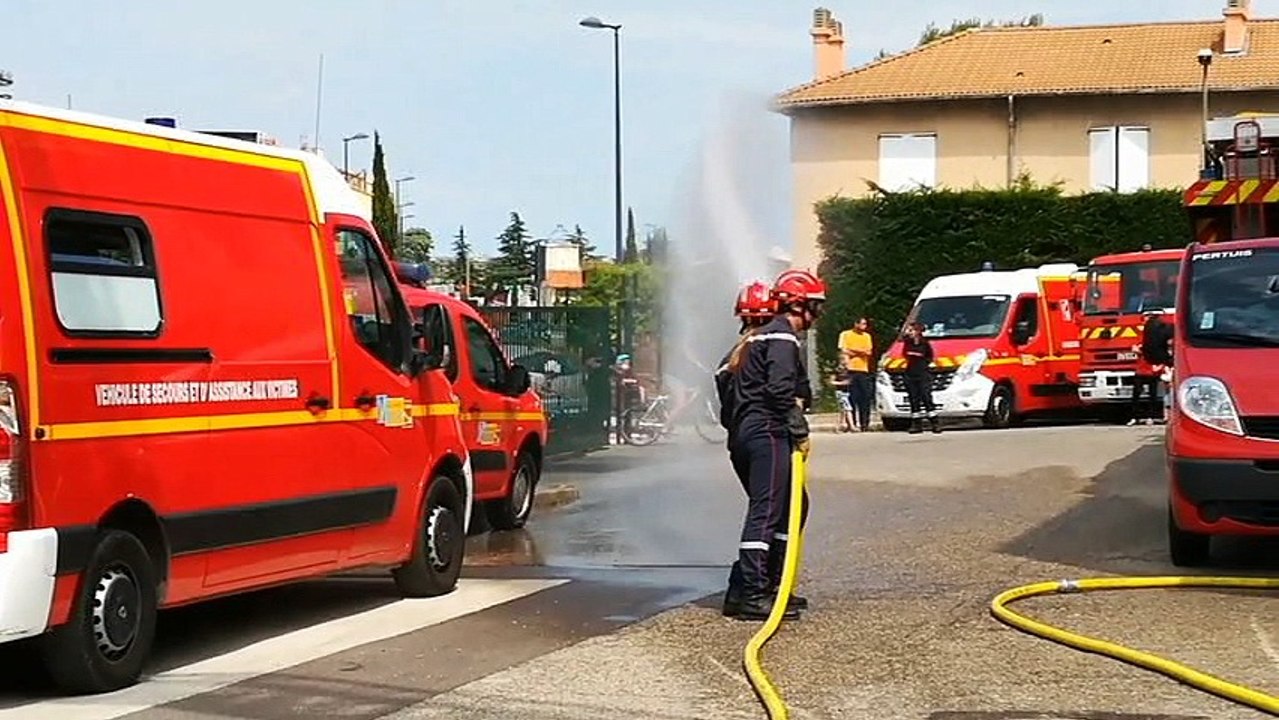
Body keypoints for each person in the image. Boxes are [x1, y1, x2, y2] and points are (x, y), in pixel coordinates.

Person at [718, 269, 824, 621]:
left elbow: (727, 404)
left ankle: (759, 587)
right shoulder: (782, 337)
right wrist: (797, 428)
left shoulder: (743, 349)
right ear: (800, 305)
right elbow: (782, 390)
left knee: (791, 506)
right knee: (768, 510)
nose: (816, 316)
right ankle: (754, 593)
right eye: (815, 307)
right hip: (768, 432)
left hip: (745, 436)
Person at [902, 321, 941, 434]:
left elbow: (929, 357)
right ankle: (916, 424)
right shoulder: (907, 343)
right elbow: (906, 353)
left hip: (923, 374)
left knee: (926, 397)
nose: (909, 332)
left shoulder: (925, 343)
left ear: (918, 331)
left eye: (912, 330)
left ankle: (935, 423)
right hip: (910, 374)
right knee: (914, 399)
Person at [837, 317, 874, 431]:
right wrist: (860, 352)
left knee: (865, 397)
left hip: (863, 369)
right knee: (852, 397)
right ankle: (851, 424)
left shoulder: (867, 336)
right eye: (862, 324)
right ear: (856, 324)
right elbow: (843, 350)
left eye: (865, 324)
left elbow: (868, 352)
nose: (864, 326)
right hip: (850, 369)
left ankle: (865, 424)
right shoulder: (846, 334)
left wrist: (853, 351)